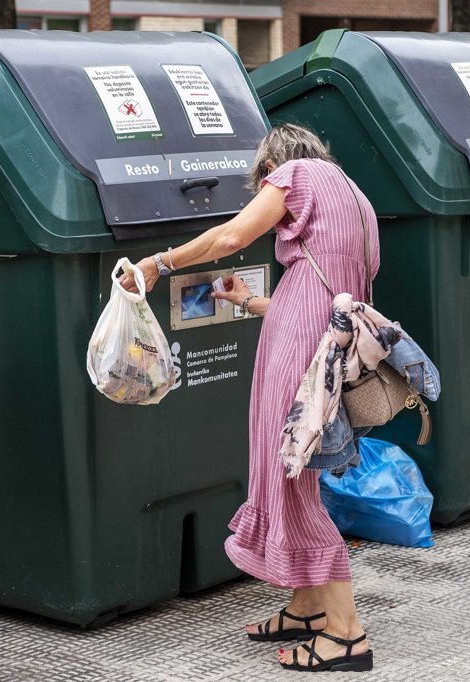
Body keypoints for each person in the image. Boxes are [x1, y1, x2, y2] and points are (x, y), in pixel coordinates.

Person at [121, 123, 379, 673]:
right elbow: (320, 294)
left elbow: (230, 238)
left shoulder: (293, 175)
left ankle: (346, 634)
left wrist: (157, 265)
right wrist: (248, 302)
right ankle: (308, 607)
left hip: (298, 352)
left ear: (269, 170)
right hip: (324, 344)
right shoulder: (355, 196)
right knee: (294, 471)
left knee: (289, 477)